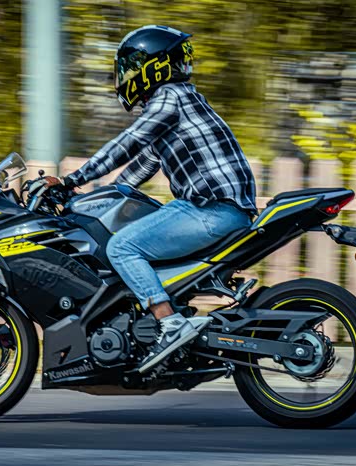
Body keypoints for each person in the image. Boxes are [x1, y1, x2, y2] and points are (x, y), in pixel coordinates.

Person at [45, 25, 257, 373]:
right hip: (220, 209)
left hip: (211, 210)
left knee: (122, 247)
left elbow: (127, 144)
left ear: (152, 67)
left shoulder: (169, 98)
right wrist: (90, 201)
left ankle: (170, 323)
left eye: (129, 68)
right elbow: (141, 165)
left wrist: (71, 180)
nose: (124, 76)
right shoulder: (184, 101)